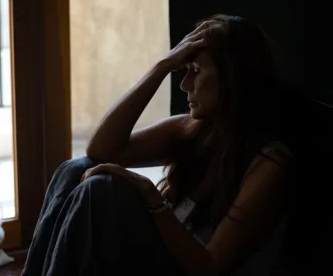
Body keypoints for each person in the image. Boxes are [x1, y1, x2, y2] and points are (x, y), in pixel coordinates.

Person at [21, 14, 294, 276]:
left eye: (196, 72)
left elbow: (209, 267)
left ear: (233, 79)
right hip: (163, 260)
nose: (185, 85)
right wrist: (161, 67)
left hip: (190, 268)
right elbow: (101, 150)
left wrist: (149, 194)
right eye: (184, 71)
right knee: (75, 169)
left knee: (99, 189)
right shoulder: (193, 130)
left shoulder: (269, 165)